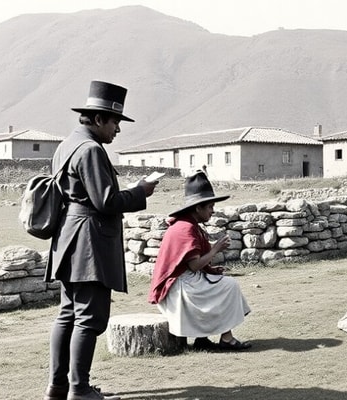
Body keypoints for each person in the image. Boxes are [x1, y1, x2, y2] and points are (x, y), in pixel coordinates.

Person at [44, 81, 157, 400]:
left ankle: (58, 386)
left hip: (69, 241)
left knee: (68, 314)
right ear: (96, 119)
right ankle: (79, 389)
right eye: (114, 121)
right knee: (89, 317)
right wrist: (140, 192)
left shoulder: (67, 145)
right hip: (89, 243)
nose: (118, 129)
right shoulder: (91, 150)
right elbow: (105, 201)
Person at [148, 170, 252, 351]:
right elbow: (194, 265)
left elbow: (193, 260)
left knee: (223, 285)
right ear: (198, 208)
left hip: (185, 280)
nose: (213, 211)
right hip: (178, 286)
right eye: (210, 206)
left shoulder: (188, 225)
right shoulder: (185, 229)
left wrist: (210, 265)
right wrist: (215, 249)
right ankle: (226, 339)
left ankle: (202, 338)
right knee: (229, 286)